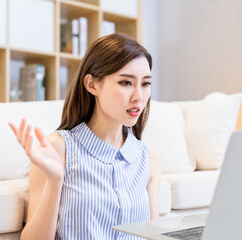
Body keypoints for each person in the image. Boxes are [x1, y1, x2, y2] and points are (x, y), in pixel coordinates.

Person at [8, 33, 161, 240]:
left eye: (145, 84)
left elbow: (153, 235)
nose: (139, 97)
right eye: (126, 82)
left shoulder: (148, 157)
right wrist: (55, 179)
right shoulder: (57, 149)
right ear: (92, 85)